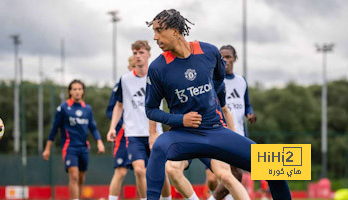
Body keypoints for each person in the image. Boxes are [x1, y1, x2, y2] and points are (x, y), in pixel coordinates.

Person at [144, 9, 291, 200]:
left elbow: (219, 81)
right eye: (153, 31)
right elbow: (151, 110)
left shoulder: (209, 52)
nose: (155, 37)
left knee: (276, 166)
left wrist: (215, 104)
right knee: (158, 148)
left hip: (216, 131)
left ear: (175, 30)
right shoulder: (157, 68)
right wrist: (181, 119)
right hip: (182, 135)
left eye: (159, 30)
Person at [107, 40, 171, 200]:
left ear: (148, 54)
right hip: (133, 134)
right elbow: (119, 105)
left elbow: (169, 101)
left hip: (155, 133)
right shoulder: (125, 79)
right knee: (139, 170)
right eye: (135, 53)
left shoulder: (157, 76)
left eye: (141, 52)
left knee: (160, 171)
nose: (138, 56)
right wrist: (112, 127)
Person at [207, 45, 258, 200]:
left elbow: (246, 103)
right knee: (231, 175)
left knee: (235, 174)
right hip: (220, 134)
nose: (225, 60)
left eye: (228, 57)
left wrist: (250, 113)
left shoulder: (241, 81)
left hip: (239, 134)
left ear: (235, 58)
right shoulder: (214, 81)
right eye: (222, 57)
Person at [42, 79, 105, 200]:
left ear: (83, 92)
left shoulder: (87, 109)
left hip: (84, 148)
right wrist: (47, 149)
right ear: (70, 91)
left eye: (79, 89)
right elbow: (54, 129)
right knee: (74, 176)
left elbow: (93, 127)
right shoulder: (63, 108)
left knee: (81, 178)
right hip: (70, 147)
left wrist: (99, 142)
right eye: (74, 89)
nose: (77, 92)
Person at [106, 56, 135, 200]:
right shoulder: (122, 84)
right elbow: (111, 110)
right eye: (132, 66)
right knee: (121, 171)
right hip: (124, 134)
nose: (135, 69)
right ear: (129, 68)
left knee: (143, 171)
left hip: (144, 133)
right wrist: (121, 123)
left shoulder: (148, 81)